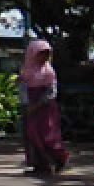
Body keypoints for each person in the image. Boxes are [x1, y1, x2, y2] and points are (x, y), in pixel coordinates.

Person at [18, 38, 68, 176]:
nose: (44, 57)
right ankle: (39, 165)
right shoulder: (26, 72)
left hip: (46, 109)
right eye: (41, 53)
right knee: (32, 135)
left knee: (48, 135)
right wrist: (27, 105)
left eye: (47, 54)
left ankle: (58, 159)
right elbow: (22, 89)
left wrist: (38, 104)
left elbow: (52, 91)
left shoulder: (49, 72)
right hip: (30, 108)